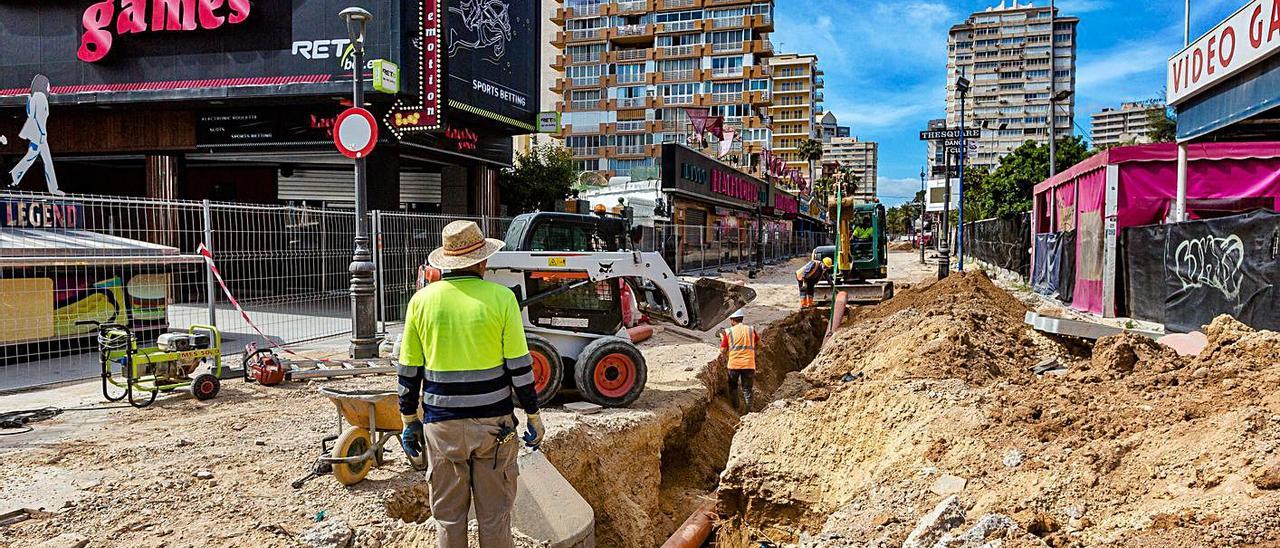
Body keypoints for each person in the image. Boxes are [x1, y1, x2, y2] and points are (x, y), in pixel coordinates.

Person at [398, 220, 542, 548]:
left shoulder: (421, 302)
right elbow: (520, 367)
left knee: (449, 520)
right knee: (495, 518)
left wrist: (409, 420)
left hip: (442, 427)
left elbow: (408, 372)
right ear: (482, 260)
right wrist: (533, 414)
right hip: (495, 428)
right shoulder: (502, 299)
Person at [9, 74, 62, 196]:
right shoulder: (41, 97)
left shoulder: (31, 97)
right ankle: (53, 188)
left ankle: (14, 176)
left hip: (35, 133)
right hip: (39, 135)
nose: (49, 88)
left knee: (32, 158)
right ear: (43, 84)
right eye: (48, 85)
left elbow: (31, 115)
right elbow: (39, 117)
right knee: (45, 161)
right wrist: (43, 133)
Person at [719, 309, 760, 413]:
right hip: (749, 364)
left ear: (732, 320)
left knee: (733, 387)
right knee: (747, 389)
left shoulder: (728, 332)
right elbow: (760, 344)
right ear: (742, 318)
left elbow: (723, 350)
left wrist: (722, 339)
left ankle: (736, 408)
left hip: (734, 365)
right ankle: (748, 411)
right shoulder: (751, 329)